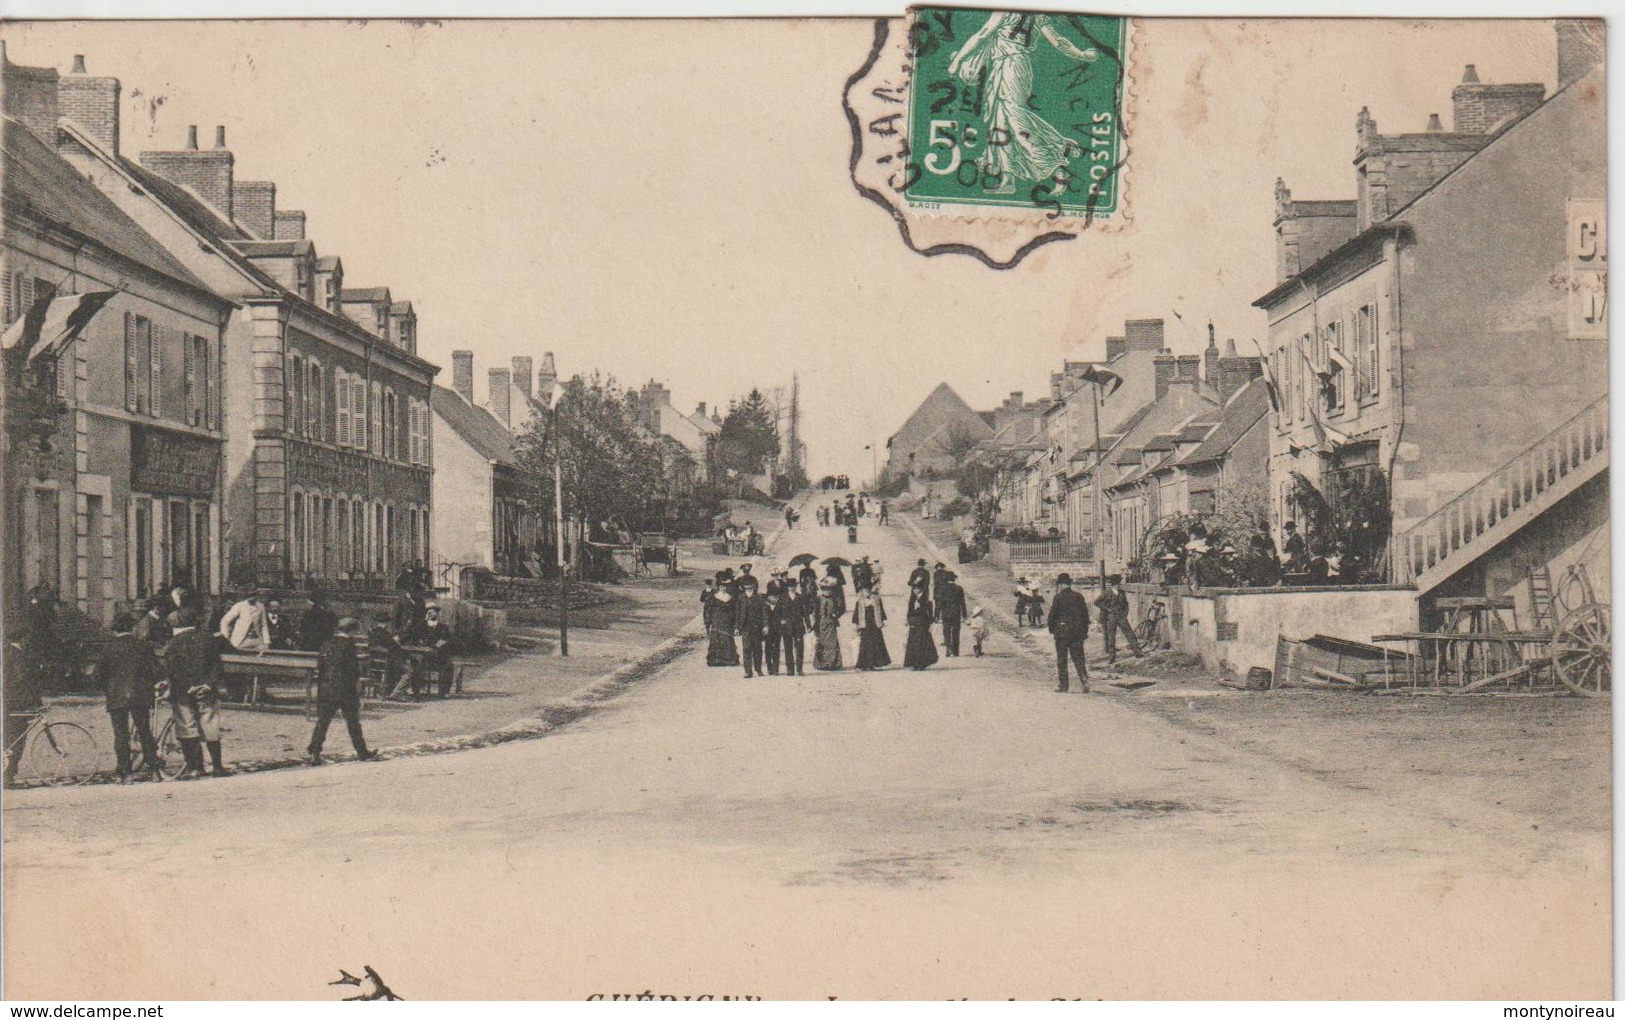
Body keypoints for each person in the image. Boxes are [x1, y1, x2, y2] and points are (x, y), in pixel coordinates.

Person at [96, 613, 163, 784]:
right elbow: (156, 671)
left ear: (115, 630)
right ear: (132, 628)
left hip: (117, 697)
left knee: (121, 735)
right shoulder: (142, 646)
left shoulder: (108, 649)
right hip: (140, 695)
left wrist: (108, 688)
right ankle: (155, 771)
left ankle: (126, 774)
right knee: (144, 732)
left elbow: (98, 676)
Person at [164, 606, 229, 778]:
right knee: (211, 726)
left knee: (187, 727)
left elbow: (172, 670)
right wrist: (208, 684)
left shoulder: (174, 643)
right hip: (206, 691)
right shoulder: (208, 639)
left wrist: (187, 686)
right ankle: (217, 766)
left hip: (183, 692)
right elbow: (217, 666)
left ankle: (195, 768)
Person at [307, 618, 379, 766]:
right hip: (346, 690)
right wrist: (357, 688)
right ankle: (362, 752)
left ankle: (314, 753)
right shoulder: (349, 645)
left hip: (326, 689)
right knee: (353, 723)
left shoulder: (327, 643)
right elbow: (353, 670)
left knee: (323, 722)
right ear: (352, 631)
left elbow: (320, 665)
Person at [1047, 573, 1091, 694]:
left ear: (1060, 585)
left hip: (1062, 634)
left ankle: (1064, 686)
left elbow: (1052, 616)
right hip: (1077, 633)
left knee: (1062, 659)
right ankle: (1084, 679)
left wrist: (1052, 629)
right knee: (1079, 658)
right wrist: (1084, 632)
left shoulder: (1058, 598)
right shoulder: (1079, 596)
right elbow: (1085, 616)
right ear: (1069, 584)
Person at [1094, 575, 1143, 664]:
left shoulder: (1122, 592)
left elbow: (1126, 604)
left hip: (1121, 616)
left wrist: (1125, 613)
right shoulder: (1107, 592)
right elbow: (1096, 602)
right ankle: (1112, 657)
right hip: (1111, 616)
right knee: (1111, 636)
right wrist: (1106, 608)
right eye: (1118, 584)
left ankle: (1138, 652)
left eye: (1119, 584)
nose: (1119, 585)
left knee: (1130, 633)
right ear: (1114, 584)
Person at [419, 604, 456, 697]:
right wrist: (425, 620)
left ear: (437, 613)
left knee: (448, 665)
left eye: (433, 612)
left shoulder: (443, 627)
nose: (431, 614)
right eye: (429, 612)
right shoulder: (422, 626)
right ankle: (420, 688)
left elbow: (446, 639)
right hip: (424, 654)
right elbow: (415, 635)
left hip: (438, 655)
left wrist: (438, 645)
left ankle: (444, 691)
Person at [851, 585, 891, 671]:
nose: (867, 593)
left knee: (875, 643)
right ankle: (863, 664)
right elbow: (856, 613)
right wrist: (856, 624)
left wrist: (882, 620)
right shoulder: (860, 601)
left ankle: (874, 663)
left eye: (868, 591)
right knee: (864, 644)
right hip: (865, 626)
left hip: (874, 625)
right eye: (865, 591)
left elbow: (881, 610)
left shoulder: (876, 600)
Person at [902, 578, 939, 670]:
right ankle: (915, 664)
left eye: (916, 589)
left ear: (920, 589)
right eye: (913, 589)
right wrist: (907, 620)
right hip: (913, 624)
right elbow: (909, 611)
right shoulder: (912, 600)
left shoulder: (925, 600)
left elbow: (930, 613)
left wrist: (930, 624)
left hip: (922, 624)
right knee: (913, 644)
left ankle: (922, 664)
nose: (914, 590)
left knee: (921, 644)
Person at [706, 572, 740, 667]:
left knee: (727, 638)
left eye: (725, 586)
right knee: (716, 639)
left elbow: (735, 611)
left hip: (728, 621)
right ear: (718, 587)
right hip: (716, 620)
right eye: (721, 586)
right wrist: (708, 623)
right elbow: (709, 611)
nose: (723, 588)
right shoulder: (713, 597)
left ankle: (728, 660)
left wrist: (735, 624)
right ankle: (716, 660)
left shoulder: (731, 598)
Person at [737, 575, 767, 679]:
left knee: (757, 648)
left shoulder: (759, 597)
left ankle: (758, 669)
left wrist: (766, 626)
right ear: (744, 586)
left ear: (754, 586)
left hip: (757, 627)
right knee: (746, 648)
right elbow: (737, 613)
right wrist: (737, 627)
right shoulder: (740, 598)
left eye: (750, 585)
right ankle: (748, 671)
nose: (748, 587)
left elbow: (764, 613)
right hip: (745, 627)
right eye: (746, 585)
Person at [814, 577, 844, 671]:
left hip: (831, 623)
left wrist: (836, 615)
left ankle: (832, 663)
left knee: (831, 643)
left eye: (829, 589)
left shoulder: (835, 598)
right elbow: (815, 611)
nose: (827, 591)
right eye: (825, 589)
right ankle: (822, 663)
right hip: (821, 623)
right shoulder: (818, 599)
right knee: (822, 642)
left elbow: (841, 609)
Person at [935, 570, 967, 657]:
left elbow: (939, 603)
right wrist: (964, 615)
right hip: (956, 613)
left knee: (946, 631)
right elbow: (962, 603)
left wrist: (936, 615)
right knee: (956, 631)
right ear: (954, 579)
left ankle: (948, 648)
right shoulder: (959, 588)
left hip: (946, 613)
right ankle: (956, 651)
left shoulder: (942, 589)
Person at [776, 586, 807, 676]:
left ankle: (799, 669)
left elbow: (804, 613)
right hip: (787, 627)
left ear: (796, 587)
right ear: (788, 587)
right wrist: (781, 620)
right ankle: (790, 670)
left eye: (793, 586)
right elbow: (777, 612)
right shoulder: (782, 598)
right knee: (788, 648)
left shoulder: (800, 597)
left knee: (800, 648)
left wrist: (808, 625)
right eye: (789, 586)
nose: (791, 588)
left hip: (798, 626)